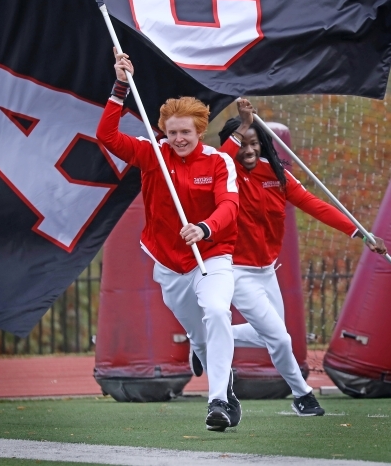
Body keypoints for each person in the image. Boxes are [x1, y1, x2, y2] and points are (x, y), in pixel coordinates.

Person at [191, 98, 387, 416]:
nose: (249, 150)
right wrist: (240, 126)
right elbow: (225, 156)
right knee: (281, 340)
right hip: (232, 269)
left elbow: (315, 205)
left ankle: (205, 341)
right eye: (243, 142)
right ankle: (302, 396)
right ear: (233, 143)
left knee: (267, 335)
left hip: (266, 270)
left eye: (256, 142)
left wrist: (362, 234)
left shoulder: (277, 175)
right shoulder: (221, 172)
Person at [96, 51, 241, 431]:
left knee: (217, 313)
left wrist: (205, 228)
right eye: (172, 132)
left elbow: (229, 206)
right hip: (169, 262)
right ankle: (197, 345)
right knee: (198, 329)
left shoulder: (218, 162)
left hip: (211, 256)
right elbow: (106, 136)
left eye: (186, 133)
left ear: (200, 131)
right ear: (163, 131)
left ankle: (219, 401)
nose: (178, 139)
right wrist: (121, 86)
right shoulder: (152, 155)